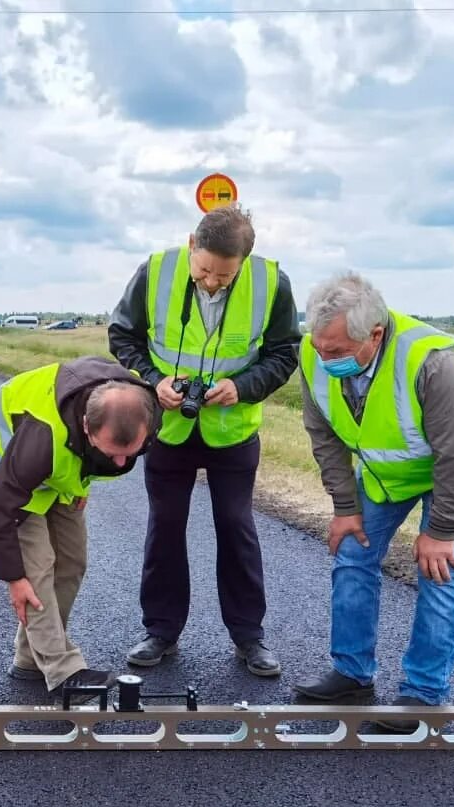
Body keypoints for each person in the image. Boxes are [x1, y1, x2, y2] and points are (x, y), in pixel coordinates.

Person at [290, 272, 454, 732]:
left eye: (336, 351)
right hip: (390, 468)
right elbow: (325, 436)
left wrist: (442, 531)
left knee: (440, 569)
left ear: (374, 334)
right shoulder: (314, 355)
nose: (324, 357)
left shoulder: (431, 361)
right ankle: (351, 674)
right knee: (353, 551)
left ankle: (423, 695)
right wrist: (344, 507)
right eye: (319, 346)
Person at [108, 204, 300, 677]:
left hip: (232, 430)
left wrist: (244, 387)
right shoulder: (155, 271)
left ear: (245, 261)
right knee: (165, 528)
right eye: (205, 271)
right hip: (169, 429)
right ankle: (161, 632)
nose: (213, 282)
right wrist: (154, 380)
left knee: (236, 527)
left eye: (225, 276)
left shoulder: (271, 282)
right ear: (191, 245)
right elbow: (122, 337)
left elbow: (284, 354)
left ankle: (249, 638)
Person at [0, 357, 160, 702]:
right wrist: (14, 578)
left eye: (130, 454)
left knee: (72, 561)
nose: (120, 464)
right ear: (87, 427)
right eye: (112, 454)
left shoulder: (145, 408)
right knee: (36, 568)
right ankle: (63, 672)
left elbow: (102, 450)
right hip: (7, 467)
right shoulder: (43, 436)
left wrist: (81, 483)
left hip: (61, 471)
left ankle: (30, 659)